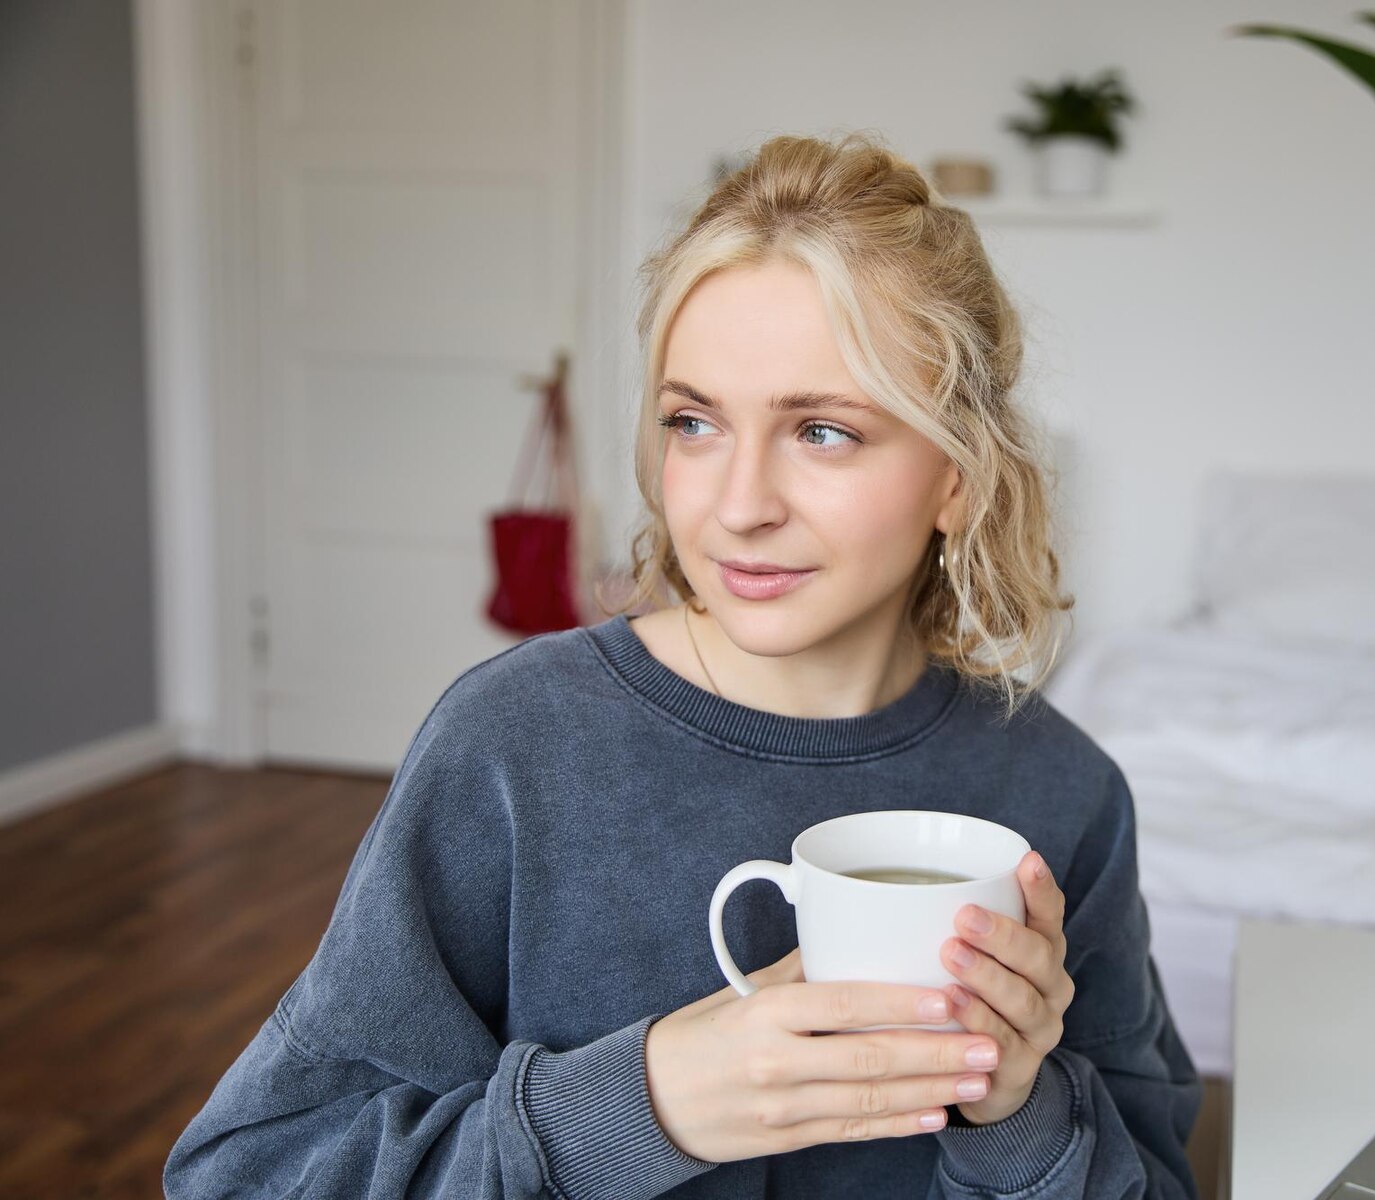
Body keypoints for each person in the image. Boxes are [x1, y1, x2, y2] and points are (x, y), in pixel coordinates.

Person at [165, 130, 1203, 1199]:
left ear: (958, 477)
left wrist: (1020, 1115)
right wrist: (642, 1105)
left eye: (823, 432)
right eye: (693, 422)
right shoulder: (515, 746)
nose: (739, 505)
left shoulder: (1061, 796)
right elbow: (247, 1175)